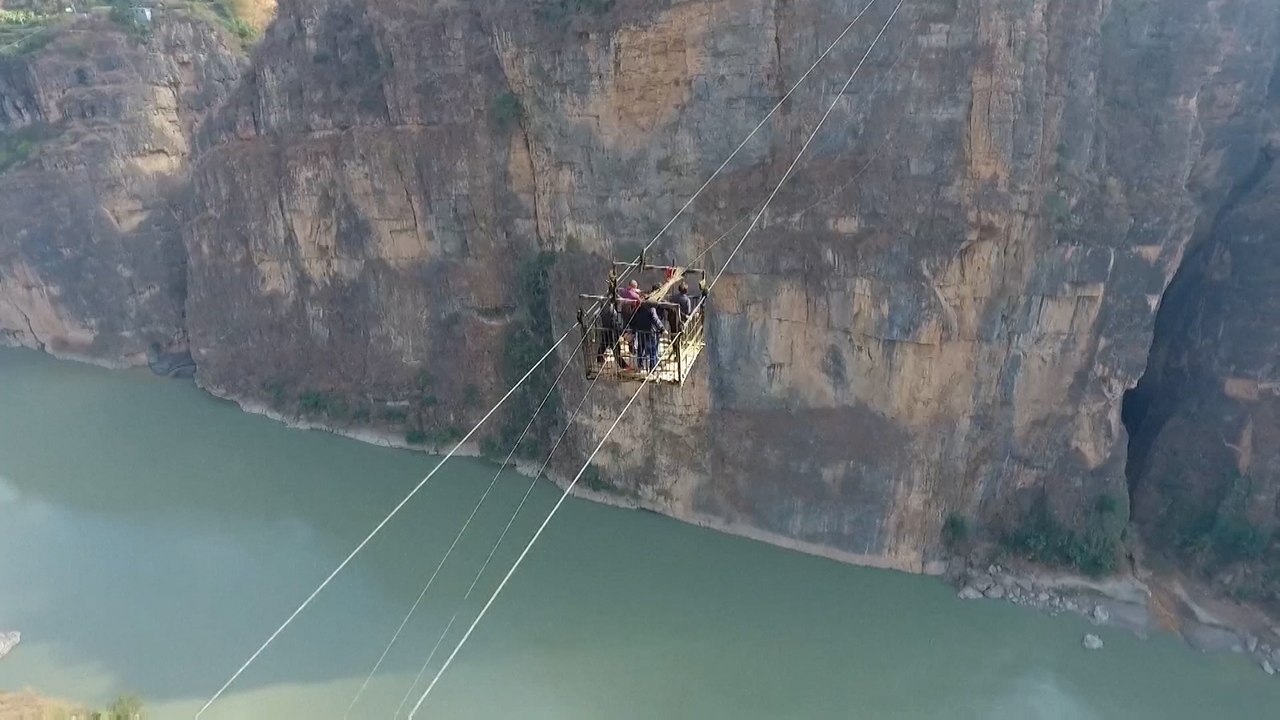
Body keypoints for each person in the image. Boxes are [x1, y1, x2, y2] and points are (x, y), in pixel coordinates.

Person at [596, 300, 629, 371]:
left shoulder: (602, 310)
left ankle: (599, 359)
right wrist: (622, 332)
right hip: (612, 333)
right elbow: (614, 323)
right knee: (616, 350)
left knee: (603, 345)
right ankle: (624, 366)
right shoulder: (611, 311)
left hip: (605, 330)